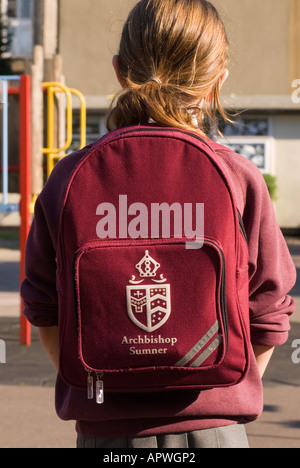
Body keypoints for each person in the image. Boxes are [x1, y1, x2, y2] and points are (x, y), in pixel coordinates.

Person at [21, 0, 296, 449]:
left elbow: (42, 302)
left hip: (107, 434)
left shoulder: (69, 178)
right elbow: (269, 310)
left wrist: (100, 386)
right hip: (215, 432)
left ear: (118, 71)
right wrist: (218, 391)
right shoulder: (237, 177)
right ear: (217, 81)